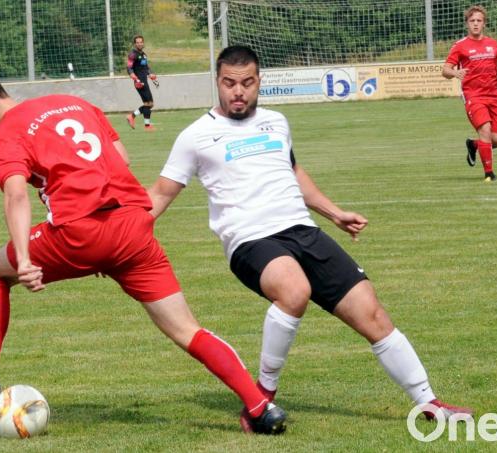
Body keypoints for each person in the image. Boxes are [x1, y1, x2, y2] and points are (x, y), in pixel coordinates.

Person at [0, 66, 287, 435]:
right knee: (187, 329)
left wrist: (24, 259)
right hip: (134, 226)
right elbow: (121, 157)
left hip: (79, 232)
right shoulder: (72, 103)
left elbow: (16, 195)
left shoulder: (4, 135)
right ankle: (261, 407)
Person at [147, 46, 473, 432]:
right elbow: (160, 194)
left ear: (259, 82)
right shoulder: (195, 136)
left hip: (302, 230)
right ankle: (261, 398)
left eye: (247, 83)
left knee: (372, 313)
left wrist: (334, 213)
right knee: (294, 290)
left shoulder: (276, 122)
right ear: (217, 82)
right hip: (250, 239)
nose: (238, 91)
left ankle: (429, 403)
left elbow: (294, 172)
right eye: (229, 83)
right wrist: (120, 238)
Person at [442, 5, 497, 182]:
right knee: (485, 130)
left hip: (493, 96)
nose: (476, 24)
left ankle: (473, 144)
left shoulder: (493, 44)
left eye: (479, 20)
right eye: (472, 21)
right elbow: (445, 70)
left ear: (484, 23)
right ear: (467, 24)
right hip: (473, 96)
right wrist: (455, 72)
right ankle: (489, 174)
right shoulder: (460, 46)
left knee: (496, 140)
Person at [125, 35, 158, 131]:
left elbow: (146, 67)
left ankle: (133, 117)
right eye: (137, 42)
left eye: (141, 42)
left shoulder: (143, 55)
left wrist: (151, 74)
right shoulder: (133, 54)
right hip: (139, 82)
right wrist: (133, 76)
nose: (139, 44)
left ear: (143, 43)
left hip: (144, 81)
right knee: (149, 104)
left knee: (149, 104)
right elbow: (129, 67)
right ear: (135, 44)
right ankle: (145, 125)